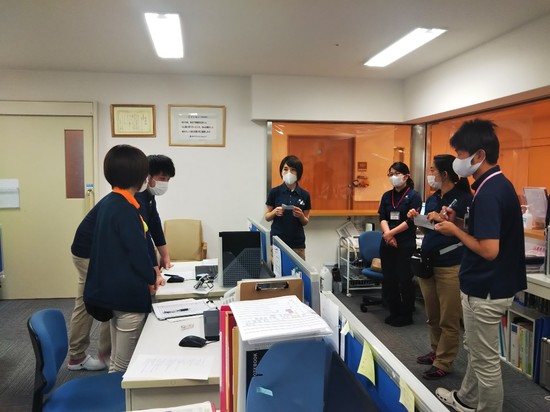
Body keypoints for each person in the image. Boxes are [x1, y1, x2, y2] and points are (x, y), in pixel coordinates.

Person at [433, 119, 527, 412]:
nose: (458, 161)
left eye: (460, 154)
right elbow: (485, 233)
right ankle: (466, 399)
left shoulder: (489, 192)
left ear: (479, 155)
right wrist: (459, 222)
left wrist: (454, 231)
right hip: (487, 284)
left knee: (485, 362)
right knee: (475, 350)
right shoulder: (494, 185)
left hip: (487, 289)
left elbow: (488, 249)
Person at [66, 154, 173, 371]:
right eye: (161, 178)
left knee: (100, 297)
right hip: (89, 251)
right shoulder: (128, 202)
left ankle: (108, 355)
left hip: (102, 248)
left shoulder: (139, 197)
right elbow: (139, 241)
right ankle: (99, 355)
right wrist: (152, 274)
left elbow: (151, 226)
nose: (164, 183)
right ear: (145, 176)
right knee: (103, 297)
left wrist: (163, 258)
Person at [84, 144, 158, 372]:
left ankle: (112, 385)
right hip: (128, 297)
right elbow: (137, 251)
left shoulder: (110, 202)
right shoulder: (125, 209)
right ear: (140, 176)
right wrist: (152, 277)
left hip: (113, 293)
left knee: (117, 361)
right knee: (125, 368)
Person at [407, 154, 472, 380]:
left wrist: (447, 221)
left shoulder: (464, 199)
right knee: (432, 314)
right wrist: (418, 219)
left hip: (450, 265)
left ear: (444, 174)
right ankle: (436, 351)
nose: (430, 175)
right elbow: (429, 229)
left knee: (448, 318)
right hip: (428, 263)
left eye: (433, 170)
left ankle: (444, 361)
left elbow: (470, 231)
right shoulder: (434, 198)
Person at [378, 162, 422, 327]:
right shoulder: (386, 196)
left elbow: (411, 221)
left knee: (404, 280)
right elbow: (382, 217)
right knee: (389, 279)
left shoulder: (414, 196)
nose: (393, 177)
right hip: (388, 242)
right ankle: (394, 311)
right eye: (390, 174)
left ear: (406, 176)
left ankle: (406, 314)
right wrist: (387, 235)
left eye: (396, 173)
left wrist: (391, 233)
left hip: (404, 243)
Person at [265, 155, 311, 260]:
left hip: (297, 245)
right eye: (285, 169)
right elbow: (267, 217)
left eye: (293, 169)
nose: (289, 172)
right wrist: (274, 212)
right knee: (275, 270)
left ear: (298, 173)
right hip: (277, 242)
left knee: (296, 270)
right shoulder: (274, 192)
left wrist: (301, 216)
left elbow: (305, 221)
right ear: (281, 171)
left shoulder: (305, 195)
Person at [135, 154, 176, 270]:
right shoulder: (137, 196)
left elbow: (155, 225)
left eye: (168, 180)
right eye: (162, 179)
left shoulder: (149, 194)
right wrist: (155, 270)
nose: (165, 183)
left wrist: (165, 256)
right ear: (148, 176)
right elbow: (144, 234)